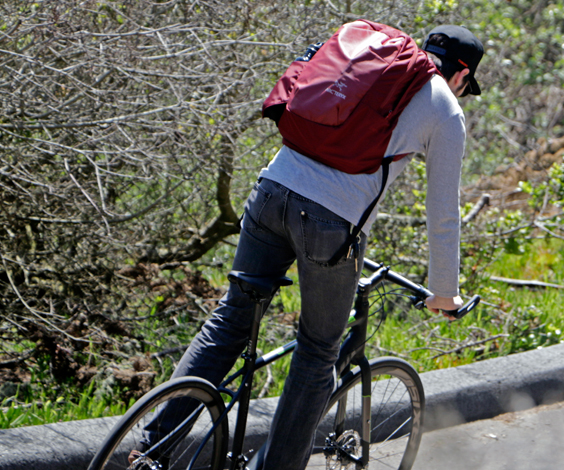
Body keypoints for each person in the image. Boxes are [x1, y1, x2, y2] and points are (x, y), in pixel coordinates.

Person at [136, 24, 484, 470]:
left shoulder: (376, 67)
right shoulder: (444, 107)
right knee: (318, 350)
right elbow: (443, 212)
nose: (462, 92)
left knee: (231, 321)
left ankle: (148, 449)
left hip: (269, 191)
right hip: (329, 224)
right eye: (466, 85)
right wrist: (443, 291)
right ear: (460, 73)